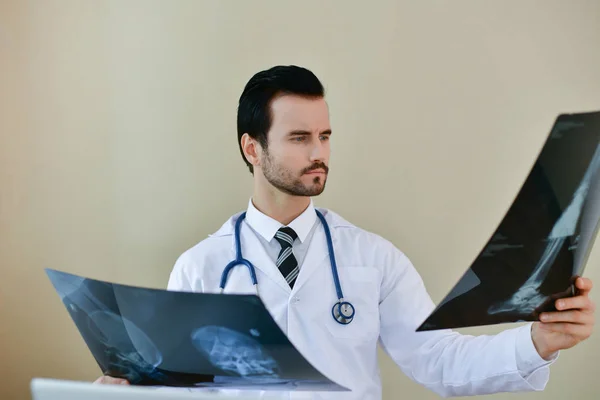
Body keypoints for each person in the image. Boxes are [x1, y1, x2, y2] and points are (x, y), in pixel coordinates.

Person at [95, 65, 595, 399]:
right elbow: (173, 386)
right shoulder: (201, 265)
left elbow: (439, 360)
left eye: (324, 136)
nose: (319, 153)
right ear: (252, 148)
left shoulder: (373, 259)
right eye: (298, 138)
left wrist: (539, 340)